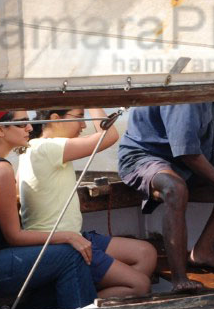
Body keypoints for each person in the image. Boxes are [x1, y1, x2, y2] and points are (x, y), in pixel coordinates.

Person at [0, 110, 97, 309]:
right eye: (22, 123)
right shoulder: (0, 169)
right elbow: (14, 236)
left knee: (54, 260)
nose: (30, 127)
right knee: (70, 255)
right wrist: (67, 236)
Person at [117, 103, 214, 292]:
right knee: (175, 189)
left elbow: (181, 128)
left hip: (178, 156)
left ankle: (204, 250)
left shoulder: (207, 87)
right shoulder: (185, 96)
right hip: (145, 157)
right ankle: (180, 278)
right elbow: (187, 152)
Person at [19, 107, 156, 298]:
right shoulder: (47, 148)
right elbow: (108, 136)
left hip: (76, 235)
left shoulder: (37, 147)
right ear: (56, 119)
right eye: (79, 117)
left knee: (146, 253)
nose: (84, 125)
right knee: (140, 286)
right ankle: (84, 303)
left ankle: (99, 293)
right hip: (60, 244)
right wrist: (93, 103)